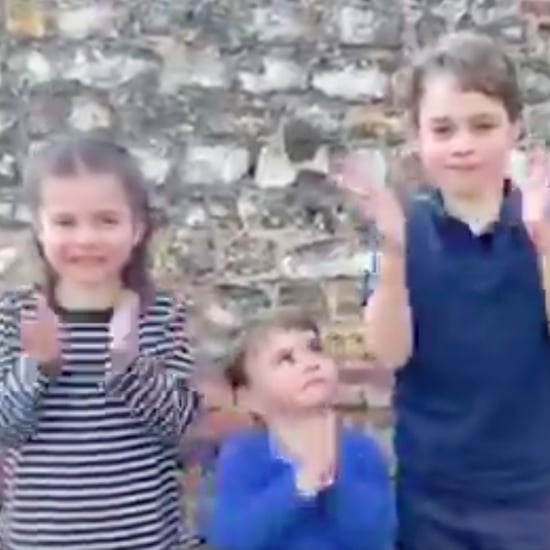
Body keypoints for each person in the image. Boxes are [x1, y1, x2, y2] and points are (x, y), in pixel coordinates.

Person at [339, 31, 550, 550]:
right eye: (443, 128)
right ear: (416, 135)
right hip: (434, 493)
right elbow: (391, 351)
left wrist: (543, 243)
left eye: (483, 125)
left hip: (535, 491)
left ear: (515, 128)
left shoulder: (539, 222)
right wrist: (392, 249)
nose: (462, 144)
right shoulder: (403, 229)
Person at [0, 135, 201, 549]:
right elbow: (7, 429)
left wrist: (130, 365)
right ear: (39, 229)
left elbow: (184, 427)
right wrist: (37, 366)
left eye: (106, 220)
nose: (86, 238)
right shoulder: (17, 317)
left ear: (136, 229)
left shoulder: (161, 315)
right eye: (66, 222)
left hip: (144, 539)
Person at [201, 311, 395, 550]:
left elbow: (377, 533)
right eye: (286, 359)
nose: (310, 363)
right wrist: (299, 485)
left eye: (315, 348)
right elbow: (233, 538)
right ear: (248, 397)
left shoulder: (361, 449)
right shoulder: (243, 455)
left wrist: (332, 480)